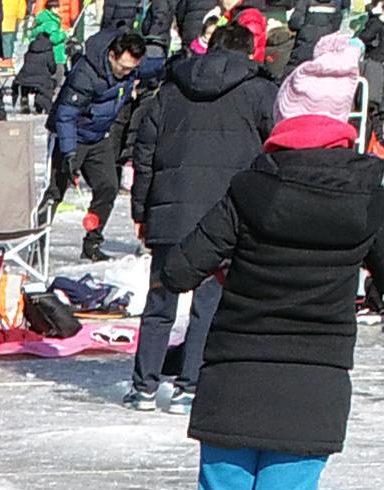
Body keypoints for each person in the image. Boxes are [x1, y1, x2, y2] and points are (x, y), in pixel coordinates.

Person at [169, 30, 384, 490]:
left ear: (283, 118)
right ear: (343, 123)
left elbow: (178, 269)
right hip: (314, 379)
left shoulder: (249, 190)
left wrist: (231, 265)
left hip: (235, 371)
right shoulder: (367, 194)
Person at [126, 12, 270, 405]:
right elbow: (275, 150)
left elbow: (145, 154)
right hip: (224, 215)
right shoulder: (259, 92)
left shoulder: (171, 90)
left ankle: (143, 387)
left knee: (160, 301)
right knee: (208, 304)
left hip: (170, 211)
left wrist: (142, 210)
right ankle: (191, 385)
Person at [49, 25, 140, 252]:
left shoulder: (131, 70)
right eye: (123, 67)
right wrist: (69, 152)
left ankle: (92, 243)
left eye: (132, 68)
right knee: (55, 192)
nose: (127, 72)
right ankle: (37, 244)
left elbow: (156, 67)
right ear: (112, 56)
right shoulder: (85, 74)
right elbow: (66, 115)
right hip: (71, 135)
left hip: (98, 137)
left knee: (108, 187)